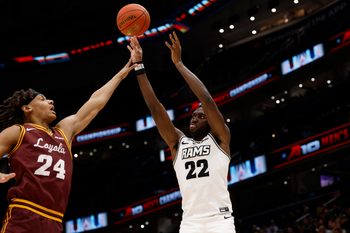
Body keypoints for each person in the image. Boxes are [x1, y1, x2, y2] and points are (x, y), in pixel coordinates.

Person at [0, 58, 137, 233]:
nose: (51, 102)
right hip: (24, 213)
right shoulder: (18, 131)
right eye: (43, 99)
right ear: (27, 108)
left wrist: (123, 73)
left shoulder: (63, 131)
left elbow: (96, 102)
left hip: (55, 219)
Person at [128, 32, 236, 233]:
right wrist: (139, 65)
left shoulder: (220, 139)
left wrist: (179, 64)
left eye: (201, 116)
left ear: (212, 122)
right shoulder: (178, 142)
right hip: (190, 223)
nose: (194, 117)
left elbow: (207, 100)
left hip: (219, 221)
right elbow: (155, 108)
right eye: (193, 115)